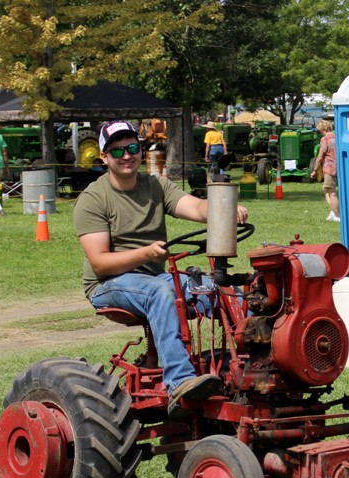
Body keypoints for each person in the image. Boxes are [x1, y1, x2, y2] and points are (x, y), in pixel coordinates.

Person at [73, 120, 248, 416]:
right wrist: (146, 253)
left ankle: (251, 365)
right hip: (108, 284)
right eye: (117, 151)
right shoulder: (92, 199)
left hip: (155, 277)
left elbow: (194, 207)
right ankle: (180, 381)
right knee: (160, 291)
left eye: (132, 148)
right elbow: (100, 261)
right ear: (104, 157)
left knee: (222, 290)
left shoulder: (156, 185)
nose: (127, 156)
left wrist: (220, 207)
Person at [313, 118, 340, 222]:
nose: (320, 132)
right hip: (339, 168)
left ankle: (337, 216)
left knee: (332, 193)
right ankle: (333, 211)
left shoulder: (325, 139)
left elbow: (320, 157)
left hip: (329, 168)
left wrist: (315, 170)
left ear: (323, 128)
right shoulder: (337, 137)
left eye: (320, 130)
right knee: (326, 189)